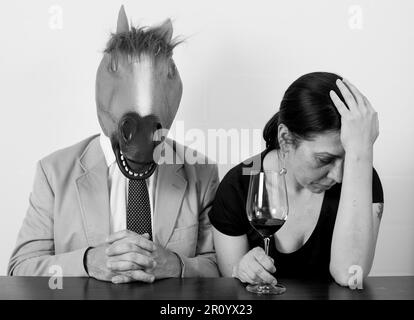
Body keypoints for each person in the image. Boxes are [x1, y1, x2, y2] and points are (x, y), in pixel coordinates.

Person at [8, 6, 219, 283]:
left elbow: (219, 266)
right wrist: (86, 262)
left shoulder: (200, 172)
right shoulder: (53, 173)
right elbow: (21, 269)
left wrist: (176, 266)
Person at [209, 72, 384, 286]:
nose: (338, 176)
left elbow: (350, 275)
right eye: (324, 159)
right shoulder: (238, 186)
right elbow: (232, 291)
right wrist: (241, 269)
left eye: (348, 159)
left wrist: (362, 150)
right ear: (285, 139)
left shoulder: (362, 177)